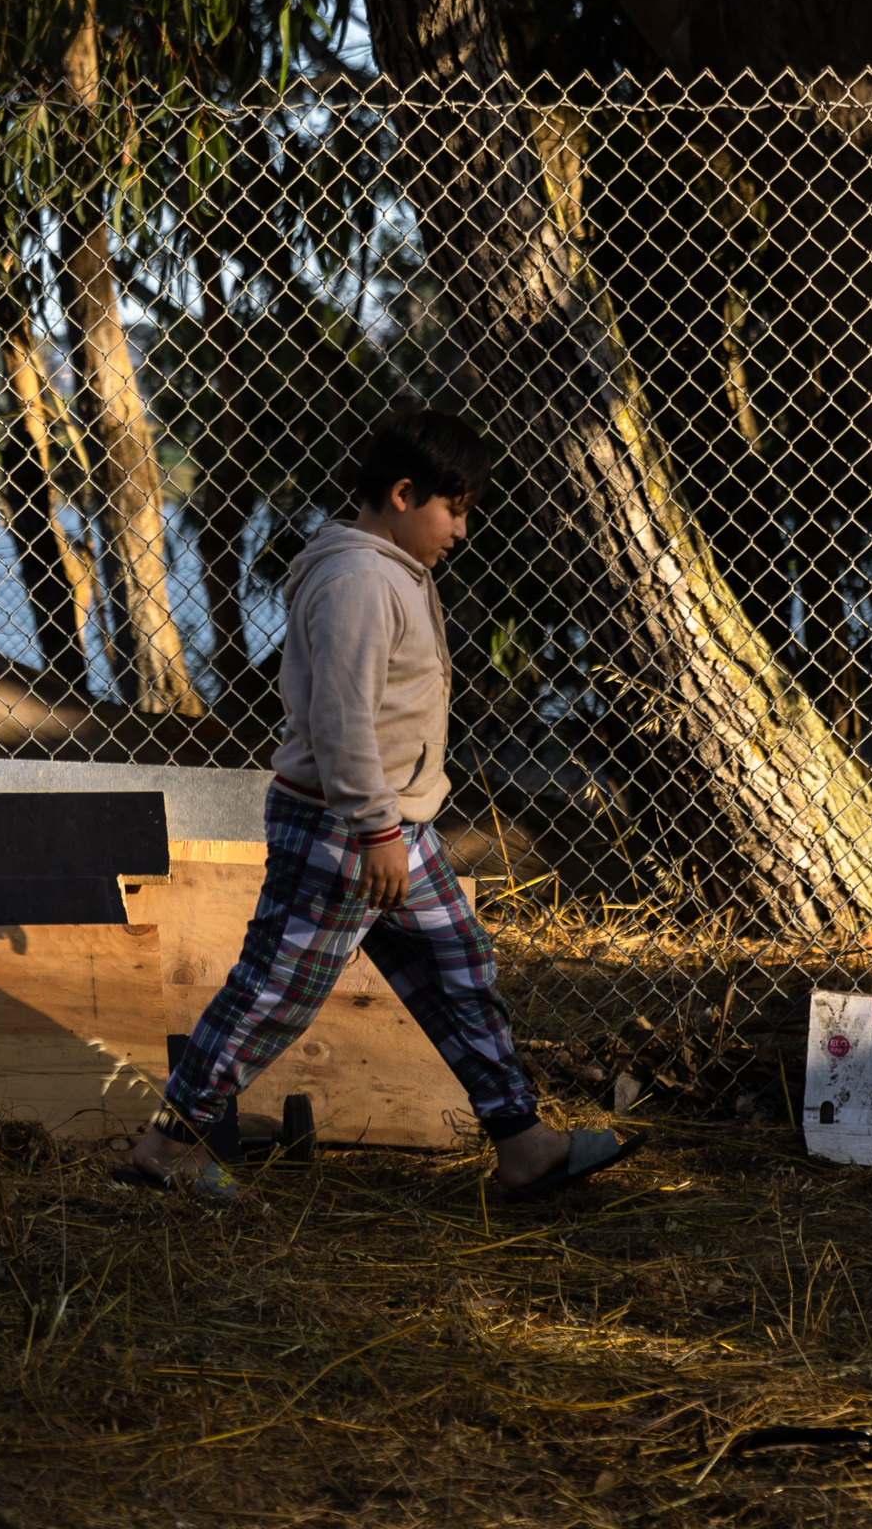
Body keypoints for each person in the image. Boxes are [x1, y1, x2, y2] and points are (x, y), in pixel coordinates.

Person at [121, 407, 641, 1203]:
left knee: (459, 968)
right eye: (454, 509)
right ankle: (171, 1142)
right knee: (277, 990)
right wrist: (374, 829)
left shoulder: (389, 570)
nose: (460, 530)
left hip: (394, 825)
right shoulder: (359, 581)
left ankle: (523, 1142)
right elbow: (341, 720)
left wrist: (393, 826)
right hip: (347, 828)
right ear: (403, 493)